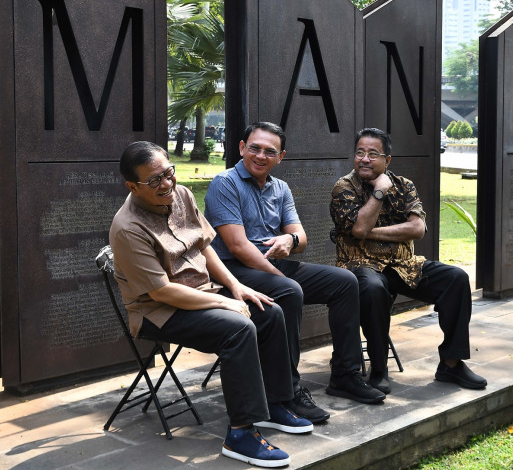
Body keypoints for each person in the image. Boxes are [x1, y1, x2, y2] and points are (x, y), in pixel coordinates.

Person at [110, 141, 311, 468]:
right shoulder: (128, 228)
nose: (167, 184)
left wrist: (236, 287)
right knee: (238, 328)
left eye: (168, 173)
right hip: (159, 312)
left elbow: (204, 248)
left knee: (269, 311)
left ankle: (274, 404)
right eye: (155, 181)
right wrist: (224, 304)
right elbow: (162, 293)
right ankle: (241, 435)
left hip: (203, 291)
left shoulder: (183, 195)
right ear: (132, 186)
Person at [204, 122, 386, 423]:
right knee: (289, 290)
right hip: (232, 273)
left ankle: (345, 374)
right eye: (255, 148)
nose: (261, 156)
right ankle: (287, 391)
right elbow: (237, 246)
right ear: (241, 148)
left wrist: (290, 240)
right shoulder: (225, 183)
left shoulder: (280, 188)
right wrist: (281, 274)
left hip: (273, 267)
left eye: (270, 151)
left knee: (344, 281)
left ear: (281, 156)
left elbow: (301, 238)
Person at [329, 128, 487, 394]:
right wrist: (378, 193)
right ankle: (379, 369)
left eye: (372, 154)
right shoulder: (344, 187)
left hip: (404, 264)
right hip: (360, 264)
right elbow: (357, 230)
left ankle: (451, 363)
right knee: (373, 288)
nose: (364, 159)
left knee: (456, 279)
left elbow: (417, 228)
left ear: (387, 160)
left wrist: (368, 231)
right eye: (359, 153)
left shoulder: (404, 185)